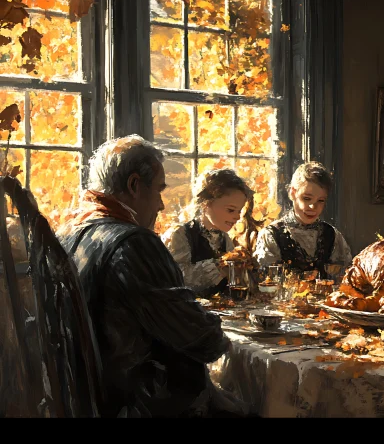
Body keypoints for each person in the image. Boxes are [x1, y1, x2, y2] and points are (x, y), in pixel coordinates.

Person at [58, 135, 250, 418]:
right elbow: (203, 340)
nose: (161, 205)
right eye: (159, 191)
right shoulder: (134, 243)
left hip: (82, 400)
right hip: (143, 404)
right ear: (135, 186)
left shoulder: (68, 234)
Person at [161, 168, 257, 298]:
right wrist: (219, 266)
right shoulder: (180, 235)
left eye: (239, 211)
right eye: (230, 210)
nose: (237, 217)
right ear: (206, 204)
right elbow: (177, 279)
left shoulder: (224, 238)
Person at [253, 161, 352, 279]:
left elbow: (346, 277)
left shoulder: (332, 235)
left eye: (320, 201)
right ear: (292, 193)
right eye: (307, 198)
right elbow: (265, 282)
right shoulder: (271, 235)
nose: (312, 207)